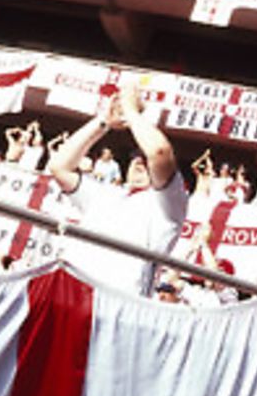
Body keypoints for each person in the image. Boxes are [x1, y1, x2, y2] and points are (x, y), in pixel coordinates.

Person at [44, 82, 187, 297]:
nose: (139, 162)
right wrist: (103, 121)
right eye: (134, 158)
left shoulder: (167, 204)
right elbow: (59, 166)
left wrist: (131, 112)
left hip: (117, 302)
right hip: (69, 292)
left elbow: (158, 152)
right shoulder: (107, 194)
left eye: (143, 159)